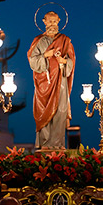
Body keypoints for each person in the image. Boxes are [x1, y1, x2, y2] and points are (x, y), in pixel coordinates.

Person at [27, 11, 75, 150]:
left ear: (59, 21)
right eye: (50, 21)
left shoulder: (65, 41)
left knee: (60, 110)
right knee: (43, 110)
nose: (52, 24)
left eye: (55, 21)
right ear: (44, 22)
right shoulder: (39, 41)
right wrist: (45, 55)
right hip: (44, 82)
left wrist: (64, 61)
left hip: (60, 81)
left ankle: (58, 144)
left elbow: (72, 61)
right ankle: (45, 144)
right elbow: (32, 61)